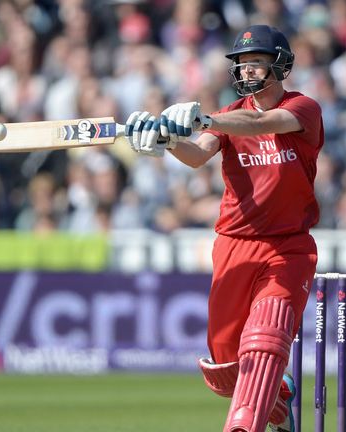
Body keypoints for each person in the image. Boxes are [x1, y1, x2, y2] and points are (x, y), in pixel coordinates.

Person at [126, 25, 324, 432]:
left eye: (257, 63)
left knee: (267, 334)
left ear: (280, 64)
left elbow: (262, 122)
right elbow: (198, 154)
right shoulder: (228, 117)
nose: (248, 71)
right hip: (234, 245)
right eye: (243, 64)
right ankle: (279, 405)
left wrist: (206, 118)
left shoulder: (303, 108)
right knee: (224, 366)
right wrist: (163, 143)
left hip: (288, 246)